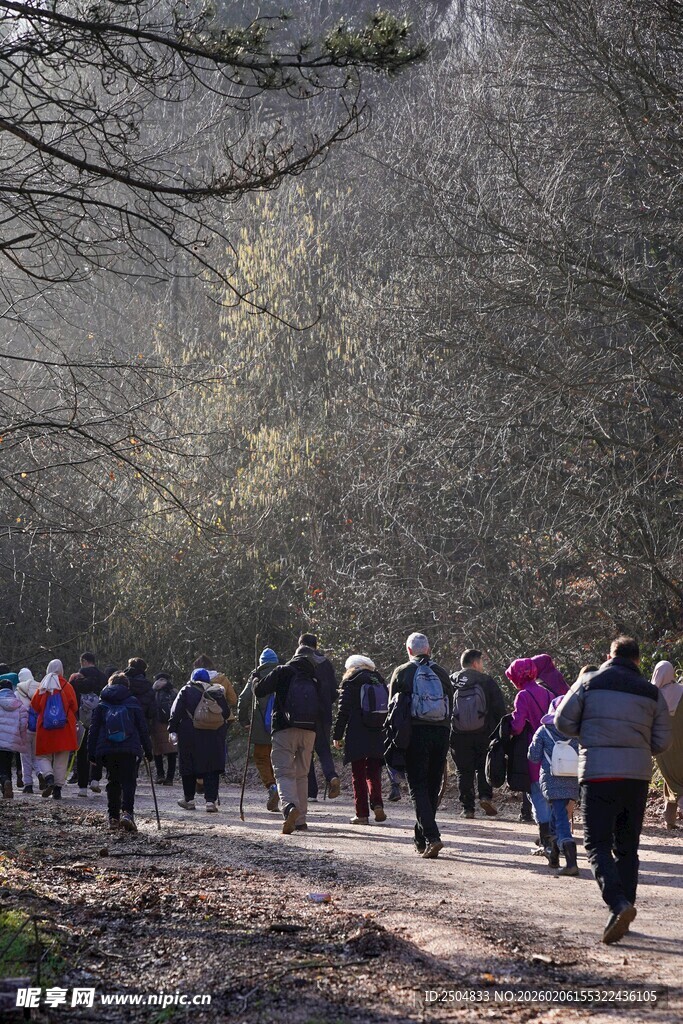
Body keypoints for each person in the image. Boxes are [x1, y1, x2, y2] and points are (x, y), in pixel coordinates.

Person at [555, 636, 671, 944]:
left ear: (609, 655)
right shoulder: (651, 692)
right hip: (636, 777)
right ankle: (625, 910)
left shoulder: (589, 682)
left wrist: (590, 732)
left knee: (596, 844)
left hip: (598, 774)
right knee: (627, 847)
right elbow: (662, 742)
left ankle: (618, 904)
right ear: (638, 659)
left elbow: (562, 721)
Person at [388, 632, 453, 859]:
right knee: (432, 787)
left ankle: (432, 836)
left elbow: (392, 709)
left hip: (414, 733)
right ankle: (420, 837)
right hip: (441, 732)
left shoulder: (402, 672)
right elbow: (451, 706)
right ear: (429, 649)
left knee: (418, 787)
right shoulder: (442, 673)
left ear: (409, 651)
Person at [253, 645, 321, 834]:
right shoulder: (315, 677)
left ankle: (290, 807)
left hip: (284, 729)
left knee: (284, 773)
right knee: (301, 775)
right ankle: (300, 821)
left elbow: (260, 691)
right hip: (309, 731)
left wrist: (255, 680)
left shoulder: (283, 671)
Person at [88, 671, 153, 832]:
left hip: (108, 748)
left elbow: (93, 729)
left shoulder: (102, 703)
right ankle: (127, 813)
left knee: (113, 781)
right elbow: (142, 728)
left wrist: (91, 752)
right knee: (129, 781)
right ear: (127, 686)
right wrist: (148, 749)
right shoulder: (132, 701)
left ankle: (113, 818)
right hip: (130, 748)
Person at [450, 649, 506, 818]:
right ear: (475, 663)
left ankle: (467, 808)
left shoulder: (451, 680)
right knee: (483, 767)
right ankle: (485, 797)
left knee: (463, 771)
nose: (482, 665)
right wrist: (499, 733)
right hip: (484, 733)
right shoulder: (486, 681)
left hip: (458, 734)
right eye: (481, 662)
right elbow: (499, 709)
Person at [333, 655, 388, 825]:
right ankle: (377, 803)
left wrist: (337, 735)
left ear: (352, 667)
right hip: (379, 731)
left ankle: (362, 814)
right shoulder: (379, 680)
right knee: (373, 772)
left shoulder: (351, 681)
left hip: (357, 732)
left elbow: (343, 711)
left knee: (358, 773)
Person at [528, 695, 580, 875]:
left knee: (560, 819)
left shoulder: (543, 731)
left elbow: (533, 757)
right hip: (573, 780)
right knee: (559, 815)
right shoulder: (578, 732)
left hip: (551, 781)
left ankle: (571, 859)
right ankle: (554, 855)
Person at [507, 658, 553, 854]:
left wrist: (505, 727)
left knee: (536, 795)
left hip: (533, 751)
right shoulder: (549, 693)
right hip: (551, 752)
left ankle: (547, 842)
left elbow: (517, 727)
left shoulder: (523, 696)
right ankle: (555, 837)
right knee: (550, 795)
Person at [168, 668, 230, 813]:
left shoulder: (186, 690)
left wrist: (172, 729)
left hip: (189, 734)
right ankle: (210, 801)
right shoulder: (216, 691)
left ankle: (189, 800)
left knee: (188, 766)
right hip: (213, 736)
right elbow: (226, 713)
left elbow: (176, 711)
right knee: (211, 768)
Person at [295, 634, 341, 802]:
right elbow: (334, 690)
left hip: (304, 714)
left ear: (300, 645)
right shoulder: (326, 664)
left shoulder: (298, 662)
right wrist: (326, 702)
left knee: (306, 752)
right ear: (316, 645)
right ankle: (331, 776)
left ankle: (311, 792)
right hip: (324, 714)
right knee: (324, 750)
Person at [237, 648, 280, 812]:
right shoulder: (283, 673)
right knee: (277, 760)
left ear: (262, 662)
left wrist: (244, 721)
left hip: (260, 727)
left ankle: (272, 787)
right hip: (280, 726)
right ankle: (282, 793)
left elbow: (244, 698)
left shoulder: (256, 676)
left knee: (261, 758)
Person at [31, 659, 78, 800]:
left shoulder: (42, 687)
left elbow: (35, 706)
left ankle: (49, 777)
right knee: (61, 758)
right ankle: (57, 789)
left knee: (42, 756)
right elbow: (74, 706)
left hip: (46, 727)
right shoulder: (67, 686)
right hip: (64, 727)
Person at [650, 660, 683, 829]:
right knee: (673, 779)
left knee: (672, 779)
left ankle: (672, 815)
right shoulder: (682, 691)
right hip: (681, 743)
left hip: (662, 745)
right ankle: (669, 818)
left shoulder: (652, 695)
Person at [69, 669, 104, 796]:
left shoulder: (75, 689)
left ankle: (82, 788)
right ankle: (95, 780)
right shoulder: (98, 688)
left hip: (81, 726)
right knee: (96, 752)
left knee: (81, 756)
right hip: (96, 726)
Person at [16, 668, 44, 793]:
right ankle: (41, 773)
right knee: (38, 756)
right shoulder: (40, 688)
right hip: (39, 727)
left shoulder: (18, 692)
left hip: (25, 728)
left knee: (25, 757)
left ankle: (28, 784)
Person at [0, 677, 28, 798]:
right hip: (11, 740)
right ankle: (8, 784)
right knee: (7, 763)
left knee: (1, 766)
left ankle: (5, 781)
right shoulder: (19, 705)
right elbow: (23, 725)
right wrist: (21, 739)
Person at [151, 672, 178, 785]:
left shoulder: (153, 692)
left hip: (157, 723)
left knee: (157, 751)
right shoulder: (174, 691)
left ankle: (160, 775)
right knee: (172, 751)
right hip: (171, 723)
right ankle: (170, 778)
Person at [124, 658, 155, 731]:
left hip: (123, 722)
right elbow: (151, 712)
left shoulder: (122, 682)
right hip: (142, 723)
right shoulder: (148, 685)